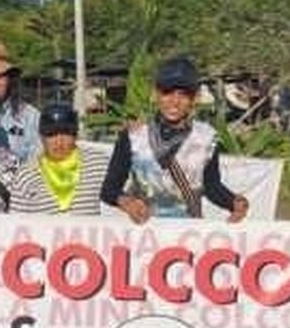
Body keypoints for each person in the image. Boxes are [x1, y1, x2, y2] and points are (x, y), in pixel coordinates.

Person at [101, 56, 249, 223]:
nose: (175, 101)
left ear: (194, 98)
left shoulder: (207, 138)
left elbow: (211, 187)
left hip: (187, 234)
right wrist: (126, 202)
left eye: (183, 95)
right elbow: (109, 190)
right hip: (142, 234)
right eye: (167, 92)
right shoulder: (133, 136)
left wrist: (234, 202)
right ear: (155, 94)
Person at [1, 104, 112, 216]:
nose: (59, 142)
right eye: (51, 134)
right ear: (41, 137)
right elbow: (16, 224)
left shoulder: (100, 165)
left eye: (66, 133)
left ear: (76, 135)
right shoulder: (25, 174)